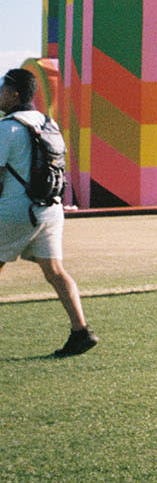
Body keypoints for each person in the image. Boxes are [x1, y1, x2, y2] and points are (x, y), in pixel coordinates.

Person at [0, 68, 98, 358]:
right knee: (55, 271)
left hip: (16, 210)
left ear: (15, 93)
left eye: (3, 89)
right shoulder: (48, 123)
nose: (0, 94)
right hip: (51, 209)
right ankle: (81, 331)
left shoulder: (7, 128)